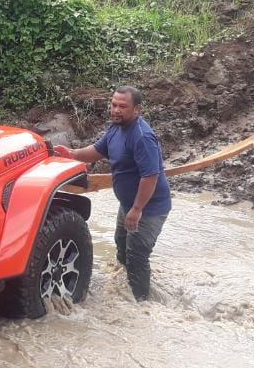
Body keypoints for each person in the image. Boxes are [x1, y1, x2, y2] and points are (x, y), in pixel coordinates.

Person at [54, 86, 171, 302]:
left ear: (137, 110)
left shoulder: (142, 137)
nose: (116, 110)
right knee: (121, 243)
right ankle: (123, 287)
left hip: (148, 208)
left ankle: (141, 303)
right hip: (129, 204)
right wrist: (72, 155)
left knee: (137, 255)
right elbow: (98, 150)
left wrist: (137, 210)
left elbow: (150, 177)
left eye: (122, 106)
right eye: (114, 105)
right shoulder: (116, 128)